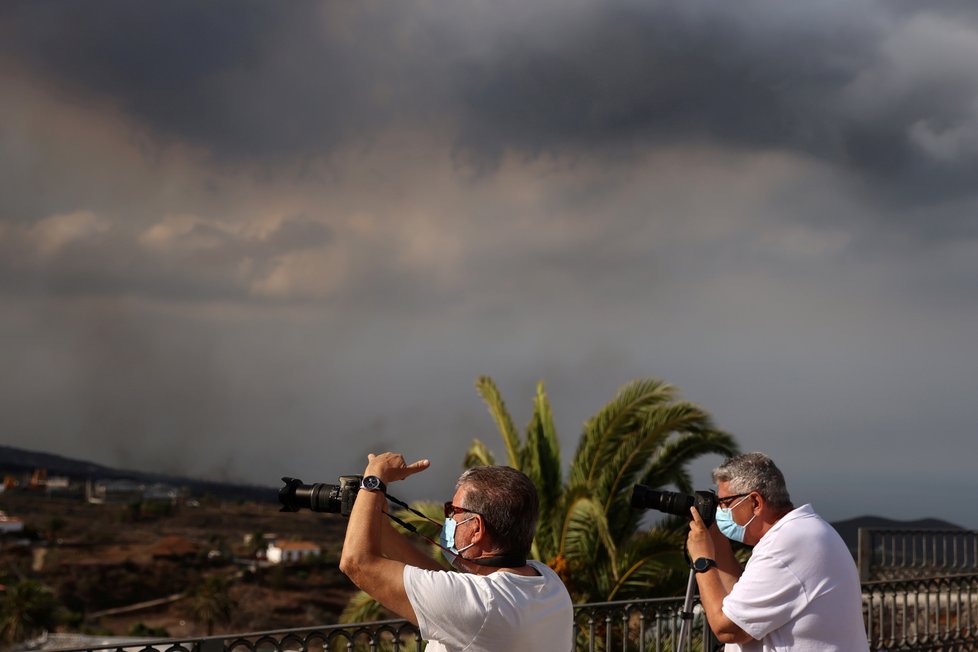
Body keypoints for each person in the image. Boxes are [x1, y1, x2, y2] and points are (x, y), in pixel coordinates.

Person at [339, 452, 574, 652]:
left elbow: (357, 563)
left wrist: (374, 478)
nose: (448, 518)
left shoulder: (484, 606)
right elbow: (451, 586)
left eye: (453, 510)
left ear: (476, 529)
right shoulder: (547, 582)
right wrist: (382, 529)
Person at [685, 452, 869, 651]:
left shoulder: (786, 545)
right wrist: (715, 541)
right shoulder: (803, 531)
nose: (721, 512)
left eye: (725, 504)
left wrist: (703, 560)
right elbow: (739, 604)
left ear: (755, 502)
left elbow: (728, 629)